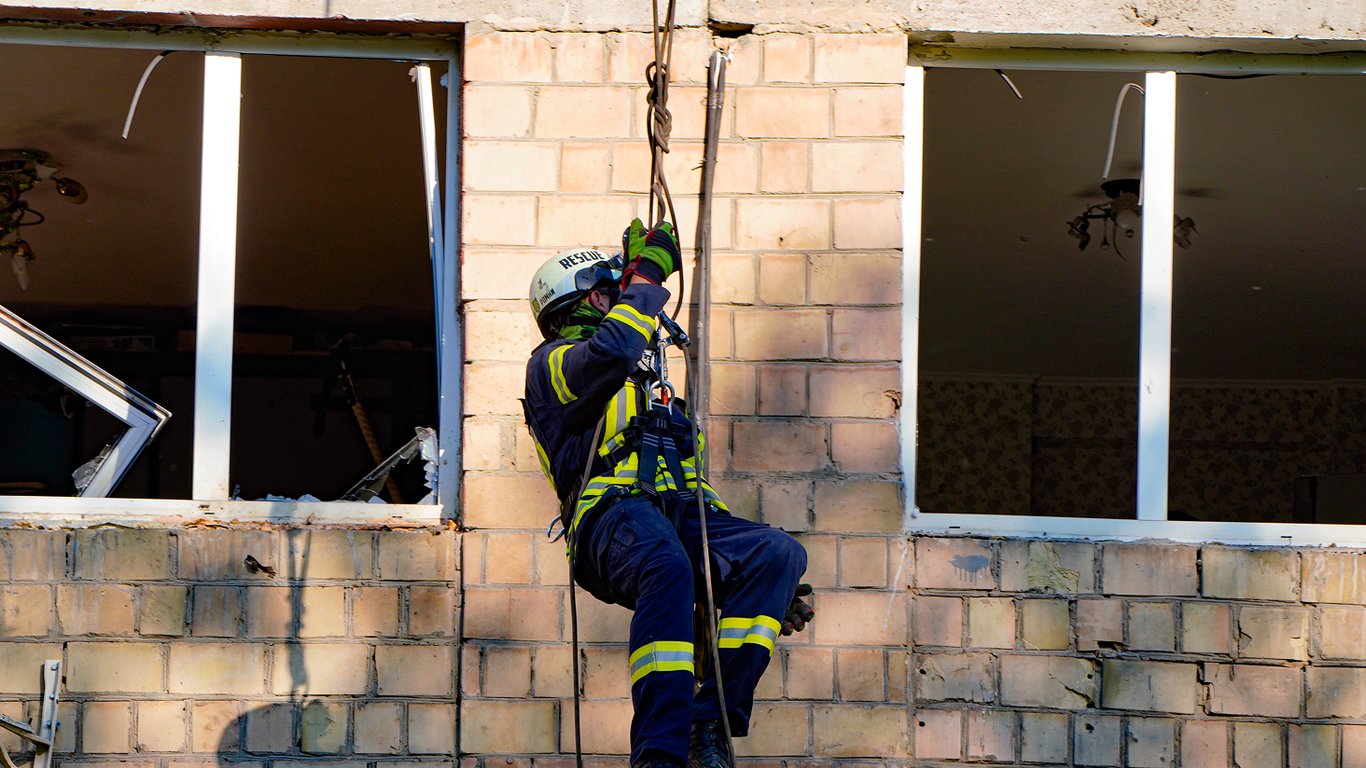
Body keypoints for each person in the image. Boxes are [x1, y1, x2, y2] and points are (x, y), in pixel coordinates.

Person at [522, 219, 814, 768]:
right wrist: (650, 271)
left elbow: (694, 490)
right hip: (611, 522)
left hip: (675, 517)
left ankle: (711, 724)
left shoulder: (653, 393)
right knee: (668, 566)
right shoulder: (554, 366)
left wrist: (754, 581)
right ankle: (659, 751)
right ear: (584, 302)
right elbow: (613, 349)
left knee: (780, 555)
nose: (625, 300)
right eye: (613, 290)